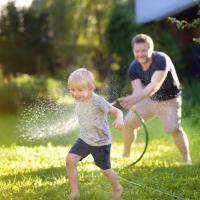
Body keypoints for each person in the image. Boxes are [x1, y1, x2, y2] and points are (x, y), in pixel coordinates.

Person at [121, 33, 192, 165]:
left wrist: (135, 98)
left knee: (174, 130)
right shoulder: (133, 67)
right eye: (137, 51)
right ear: (133, 51)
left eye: (144, 50)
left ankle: (187, 160)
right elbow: (138, 91)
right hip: (148, 99)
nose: (140, 54)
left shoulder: (161, 60)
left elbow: (154, 86)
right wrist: (132, 100)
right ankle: (126, 155)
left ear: (151, 49)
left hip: (169, 100)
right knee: (128, 123)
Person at [66, 68, 124, 199]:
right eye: (72, 89)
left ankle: (117, 188)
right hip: (85, 138)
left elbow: (117, 111)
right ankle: (75, 192)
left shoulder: (98, 101)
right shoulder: (79, 99)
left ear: (91, 88)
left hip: (100, 142)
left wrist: (119, 119)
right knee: (70, 160)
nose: (75, 94)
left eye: (80, 90)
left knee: (105, 171)